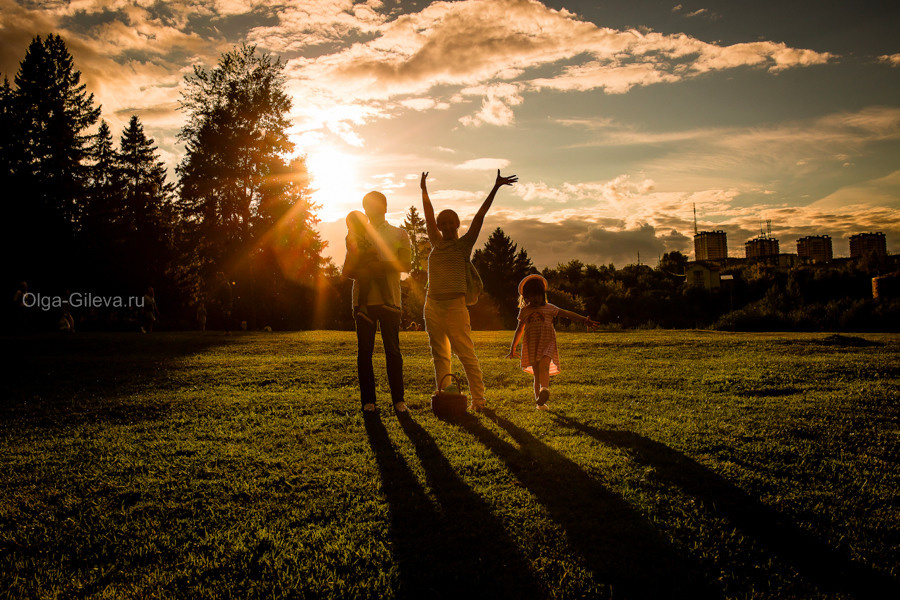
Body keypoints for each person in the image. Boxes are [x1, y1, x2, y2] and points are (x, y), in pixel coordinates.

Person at [421, 169, 517, 412]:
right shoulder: (435, 242)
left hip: (455, 306)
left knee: (466, 355)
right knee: (440, 354)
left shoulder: (464, 245)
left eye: (450, 222)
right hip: (432, 305)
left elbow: (480, 216)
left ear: (457, 224)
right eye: (442, 223)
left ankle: (479, 400)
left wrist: (495, 188)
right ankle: (445, 396)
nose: (445, 226)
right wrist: (424, 189)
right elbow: (428, 214)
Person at [342, 191, 412, 414]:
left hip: (390, 299)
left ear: (385, 206)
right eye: (367, 205)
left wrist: (379, 267)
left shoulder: (399, 234)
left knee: (393, 352)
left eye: (376, 204)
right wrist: (365, 269)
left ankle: (398, 401)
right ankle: (368, 402)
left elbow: (406, 265)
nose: (371, 208)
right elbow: (347, 270)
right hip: (363, 302)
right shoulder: (356, 234)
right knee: (365, 353)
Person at [506, 274, 598, 410]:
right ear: (525, 297)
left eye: (538, 295)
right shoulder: (524, 311)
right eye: (531, 295)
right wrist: (512, 348)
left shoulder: (549, 308)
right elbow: (519, 330)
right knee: (536, 374)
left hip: (547, 343)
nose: (535, 298)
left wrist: (584, 320)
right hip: (532, 345)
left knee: (544, 366)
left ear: (543, 295)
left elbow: (566, 313)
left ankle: (544, 390)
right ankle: (540, 403)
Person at [344, 210, 401, 323]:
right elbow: (355, 253)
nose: (365, 227)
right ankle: (385, 301)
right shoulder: (352, 237)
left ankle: (368, 306)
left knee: (369, 284)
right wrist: (370, 251)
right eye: (363, 224)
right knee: (374, 281)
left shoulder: (360, 236)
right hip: (364, 264)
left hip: (367, 265)